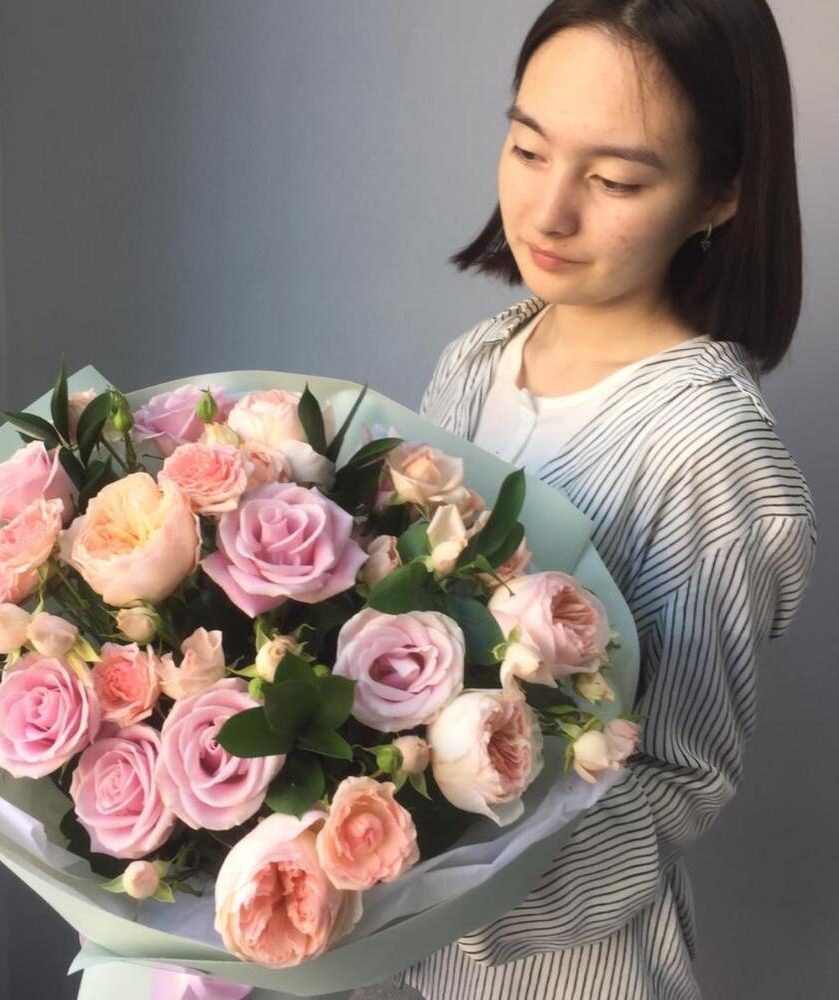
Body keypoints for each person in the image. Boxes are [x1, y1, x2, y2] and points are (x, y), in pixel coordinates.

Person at [388, 1, 818, 998]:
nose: (547, 212)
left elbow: (677, 779)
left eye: (616, 179)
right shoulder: (477, 360)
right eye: (527, 148)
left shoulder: (711, 456)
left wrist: (444, 891)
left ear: (721, 195)